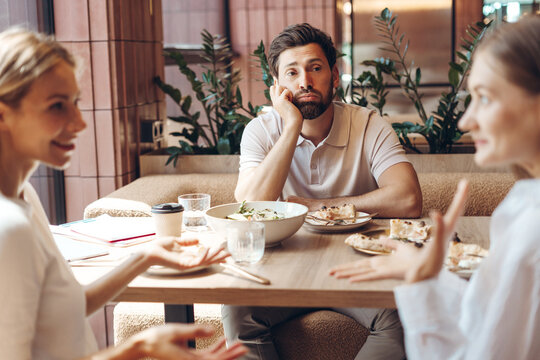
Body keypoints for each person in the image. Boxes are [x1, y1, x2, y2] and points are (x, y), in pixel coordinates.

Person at [0, 28, 247, 360]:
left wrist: (146, 256)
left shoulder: (25, 195)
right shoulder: (9, 226)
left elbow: (67, 308)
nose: (79, 122)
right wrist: (137, 348)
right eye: (58, 106)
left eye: (75, 103)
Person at [330, 16, 540, 360]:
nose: (465, 121)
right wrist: (426, 273)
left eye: (484, 98)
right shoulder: (525, 199)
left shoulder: (532, 231)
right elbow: (488, 319)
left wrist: (420, 283)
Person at [224, 23, 423, 360]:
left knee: (401, 315)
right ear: (277, 87)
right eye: (292, 72)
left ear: (334, 75)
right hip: (282, 267)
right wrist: (291, 127)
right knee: (237, 310)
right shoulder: (260, 131)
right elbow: (248, 207)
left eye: (315, 68)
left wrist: (319, 207)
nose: (305, 81)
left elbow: (407, 198)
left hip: (358, 264)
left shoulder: (368, 124)